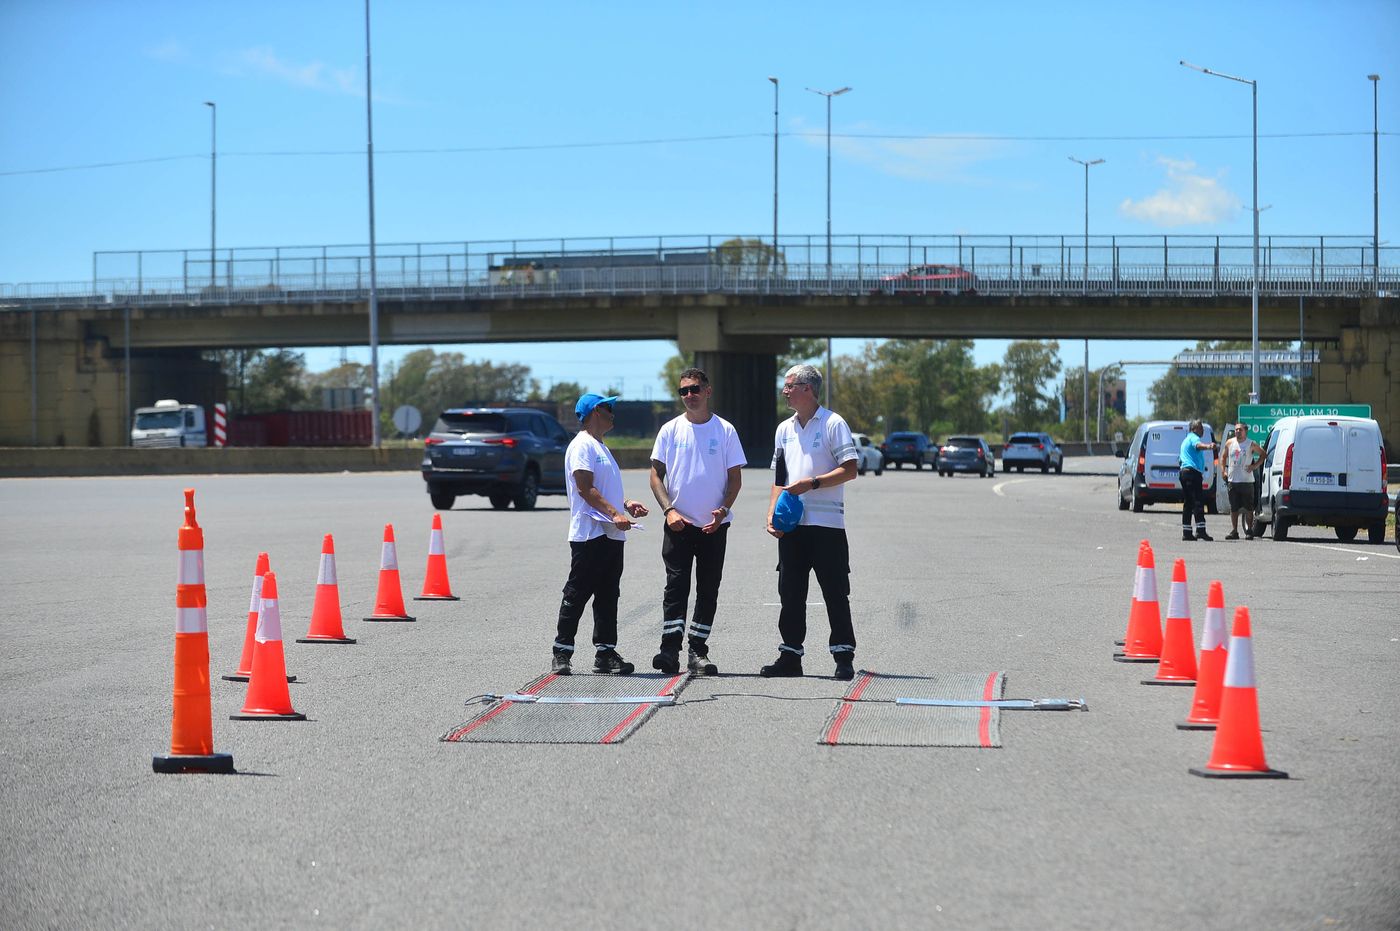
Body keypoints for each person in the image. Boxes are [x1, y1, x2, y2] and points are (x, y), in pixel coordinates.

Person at [760, 364, 860, 681]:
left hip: (827, 527)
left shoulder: (833, 423)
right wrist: (771, 512)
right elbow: (779, 477)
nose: (784, 390)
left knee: (834, 592)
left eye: (790, 385)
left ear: (808, 388)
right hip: (793, 526)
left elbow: (850, 469)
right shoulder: (783, 429)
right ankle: (790, 656)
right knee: (790, 593)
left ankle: (843, 656)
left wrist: (813, 484)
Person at [648, 368, 746, 676]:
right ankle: (669, 649)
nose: (689, 395)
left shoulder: (725, 431)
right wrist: (668, 511)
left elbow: (735, 480)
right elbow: (655, 477)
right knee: (675, 586)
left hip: (713, 526)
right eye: (683, 391)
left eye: (694, 389)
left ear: (707, 391)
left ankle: (697, 650)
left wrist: (723, 509)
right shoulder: (670, 430)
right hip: (678, 524)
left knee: (708, 588)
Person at [551, 393, 650, 676]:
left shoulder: (600, 446)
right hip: (590, 534)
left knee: (608, 594)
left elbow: (602, 489)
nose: (613, 413)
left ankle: (605, 653)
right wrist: (614, 514)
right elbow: (585, 487)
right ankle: (562, 651)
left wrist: (625, 504)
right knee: (577, 592)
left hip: (610, 534)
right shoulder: (582, 445)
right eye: (609, 408)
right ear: (595, 412)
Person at [1221, 423, 1264, 540]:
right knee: (1233, 507)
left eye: (1240, 430)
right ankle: (1234, 531)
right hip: (1233, 480)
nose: (1237, 432)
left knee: (1248, 508)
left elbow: (1263, 454)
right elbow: (1223, 457)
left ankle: (1249, 530)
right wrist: (1223, 471)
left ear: (1245, 431)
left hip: (1247, 481)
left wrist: (1254, 466)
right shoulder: (1230, 443)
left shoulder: (1251, 444)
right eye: (1236, 430)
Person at [1178, 419, 1218, 542]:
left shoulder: (1185, 440)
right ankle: (1201, 531)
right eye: (1201, 428)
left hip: (1185, 472)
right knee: (1198, 501)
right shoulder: (1193, 438)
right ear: (1194, 429)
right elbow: (1198, 446)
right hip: (1192, 473)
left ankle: (1187, 532)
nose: (1202, 430)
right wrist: (1209, 446)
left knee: (1188, 503)